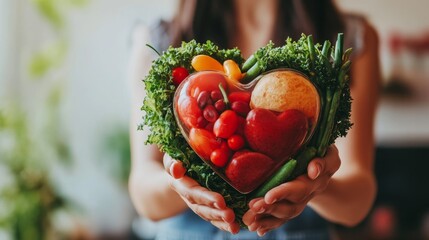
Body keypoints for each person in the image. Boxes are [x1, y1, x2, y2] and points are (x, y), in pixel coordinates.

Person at [128, 0, 381, 239]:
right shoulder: (158, 39)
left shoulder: (352, 37)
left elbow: (357, 201)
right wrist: (182, 183)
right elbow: (143, 193)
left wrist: (315, 186)